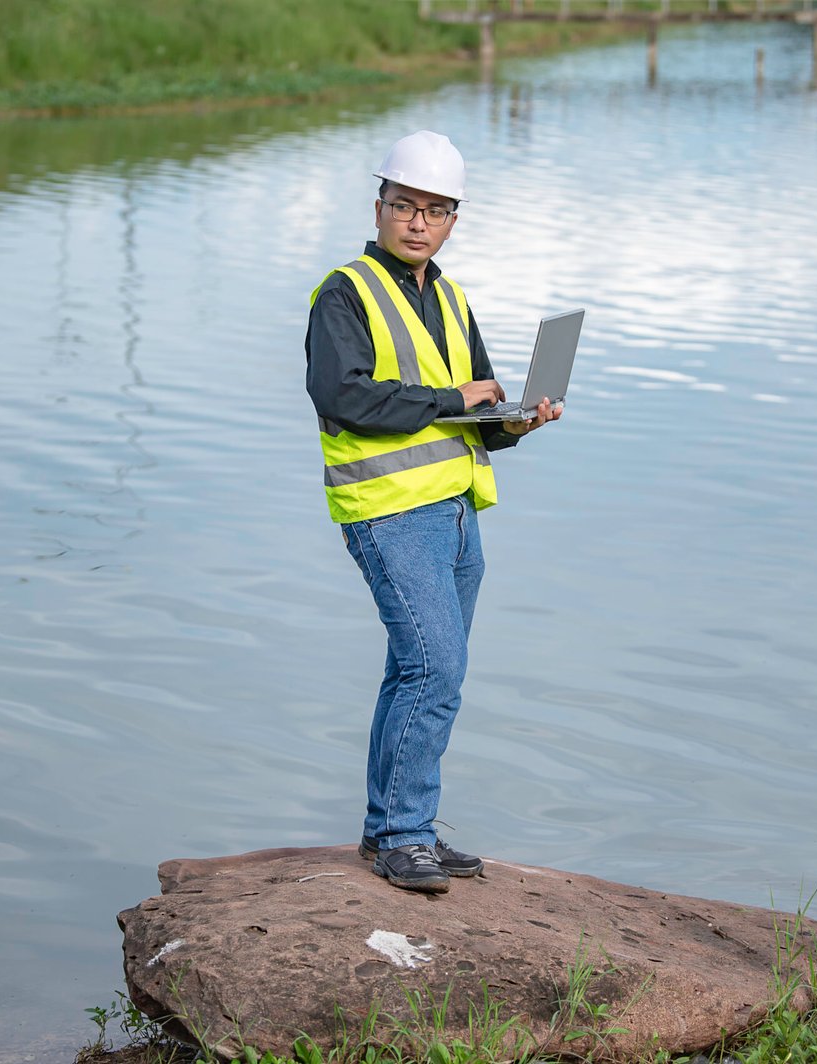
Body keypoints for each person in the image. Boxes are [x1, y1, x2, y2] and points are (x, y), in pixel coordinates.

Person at [304, 130, 561, 894]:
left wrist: (514, 422)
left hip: (454, 512)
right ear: (379, 206)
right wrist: (456, 400)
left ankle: (393, 825)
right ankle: (405, 834)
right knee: (434, 666)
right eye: (405, 205)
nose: (419, 222)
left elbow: (471, 415)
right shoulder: (345, 292)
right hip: (387, 511)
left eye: (436, 210)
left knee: (417, 670)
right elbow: (343, 396)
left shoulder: (448, 297)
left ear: (454, 220)